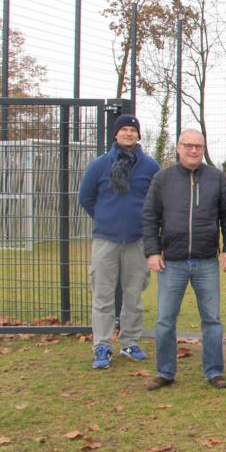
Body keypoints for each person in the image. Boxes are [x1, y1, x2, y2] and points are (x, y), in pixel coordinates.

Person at [142, 129, 226, 390]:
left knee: (212, 320)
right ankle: (165, 372)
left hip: (207, 261)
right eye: (188, 145)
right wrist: (152, 251)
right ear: (178, 147)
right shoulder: (162, 179)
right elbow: (150, 217)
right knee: (164, 320)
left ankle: (214, 370)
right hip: (171, 262)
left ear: (203, 148)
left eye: (198, 146)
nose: (193, 150)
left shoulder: (217, 179)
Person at [79, 114, 160, 369]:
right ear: (115, 134)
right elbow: (86, 197)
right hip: (106, 240)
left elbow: (157, 201)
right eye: (123, 129)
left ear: (138, 135)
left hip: (138, 241)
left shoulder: (150, 167)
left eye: (132, 130)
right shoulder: (100, 165)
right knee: (103, 295)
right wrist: (105, 218)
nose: (128, 133)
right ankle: (102, 345)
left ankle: (130, 342)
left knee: (133, 295)